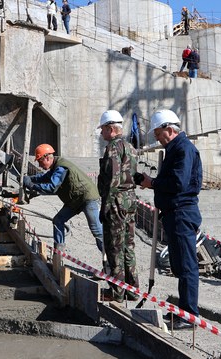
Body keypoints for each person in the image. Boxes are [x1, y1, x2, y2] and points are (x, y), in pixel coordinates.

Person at [137, 109, 202, 329]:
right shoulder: (173, 150)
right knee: (179, 265)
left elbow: (178, 183)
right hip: (174, 213)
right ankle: (184, 311)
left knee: (186, 266)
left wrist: (153, 184)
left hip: (182, 213)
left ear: (169, 129)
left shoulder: (183, 149)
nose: (156, 137)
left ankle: (190, 316)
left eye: (157, 132)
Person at [23, 144, 104, 253]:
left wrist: (32, 186)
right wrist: (30, 179)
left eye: (40, 161)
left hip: (87, 197)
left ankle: (109, 260)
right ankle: (59, 253)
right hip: (75, 199)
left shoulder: (61, 167)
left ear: (47, 158)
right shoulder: (55, 167)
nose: (39, 165)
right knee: (58, 220)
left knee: (97, 230)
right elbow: (44, 177)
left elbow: (52, 187)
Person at [97, 110, 140, 303]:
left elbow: (113, 179)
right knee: (128, 246)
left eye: (103, 130)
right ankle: (132, 289)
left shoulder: (113, 148)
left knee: (114, 247)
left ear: (111, 129)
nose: (101, 134)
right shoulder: (130, 147)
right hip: (130, 200)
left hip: (116, 201)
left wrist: (105, 206)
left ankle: (117, 292)